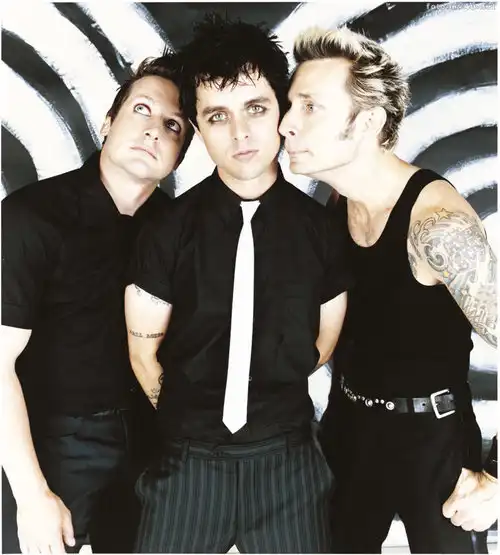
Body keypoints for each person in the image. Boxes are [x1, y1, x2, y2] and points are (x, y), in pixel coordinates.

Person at [124, 14, 351, 554]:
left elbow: (322, 344)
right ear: (198, 127)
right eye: (217, 116)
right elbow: (143, 351)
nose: (241, 133)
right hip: (187, 465)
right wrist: (193, 424)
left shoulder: (322, 230)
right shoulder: (168, 229)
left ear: (281, 110)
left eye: (256, 108)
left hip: (289, 467)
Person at [279, 26, 498, 553]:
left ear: (369, 122)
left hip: (433, 440)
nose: (286, 124)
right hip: (349, 427)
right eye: (290, 105)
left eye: (311, 107)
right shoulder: (338, 204)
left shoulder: (437, 225)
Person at [1, 52, 193, 554]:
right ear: (108, 122)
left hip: (152, 449)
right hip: (51, 445)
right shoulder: (29, 217)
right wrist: (32, 495)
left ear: (179, 155)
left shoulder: (182, 232)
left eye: (173, 125)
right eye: (141, 109)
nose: (154, 130)